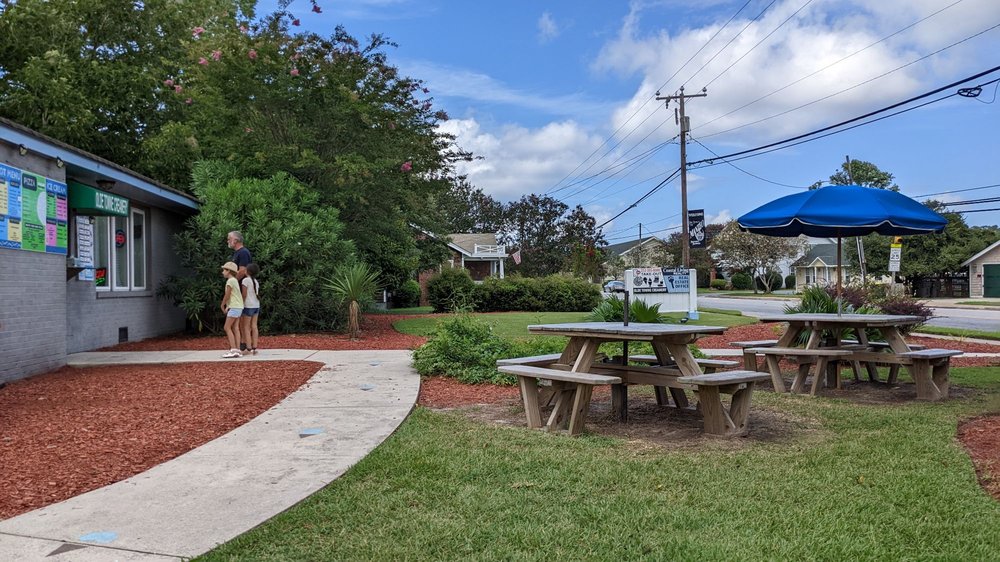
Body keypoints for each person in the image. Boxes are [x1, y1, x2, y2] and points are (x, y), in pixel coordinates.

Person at [220, 261, 244, 358]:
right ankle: (237, 350)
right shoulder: (235, 280)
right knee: (235, 328)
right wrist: (228, 306)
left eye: (224, 270)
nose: (222, 272)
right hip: (238, 306)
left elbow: (228, 294)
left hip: (234, 306)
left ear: (229, 271)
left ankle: (233, 349)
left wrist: (223, 304)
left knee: (227, 327)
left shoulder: (230, 281)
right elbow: (235, 295)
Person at [240, 263, 261, 355]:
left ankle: (248, 348)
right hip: (256, 305)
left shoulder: (245, 280)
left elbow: (244, 294)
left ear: (248, 271)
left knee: (246, 327)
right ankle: (254, 347)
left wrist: (241, 303)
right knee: (254, 326)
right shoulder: (256, 281)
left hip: (248, 305)